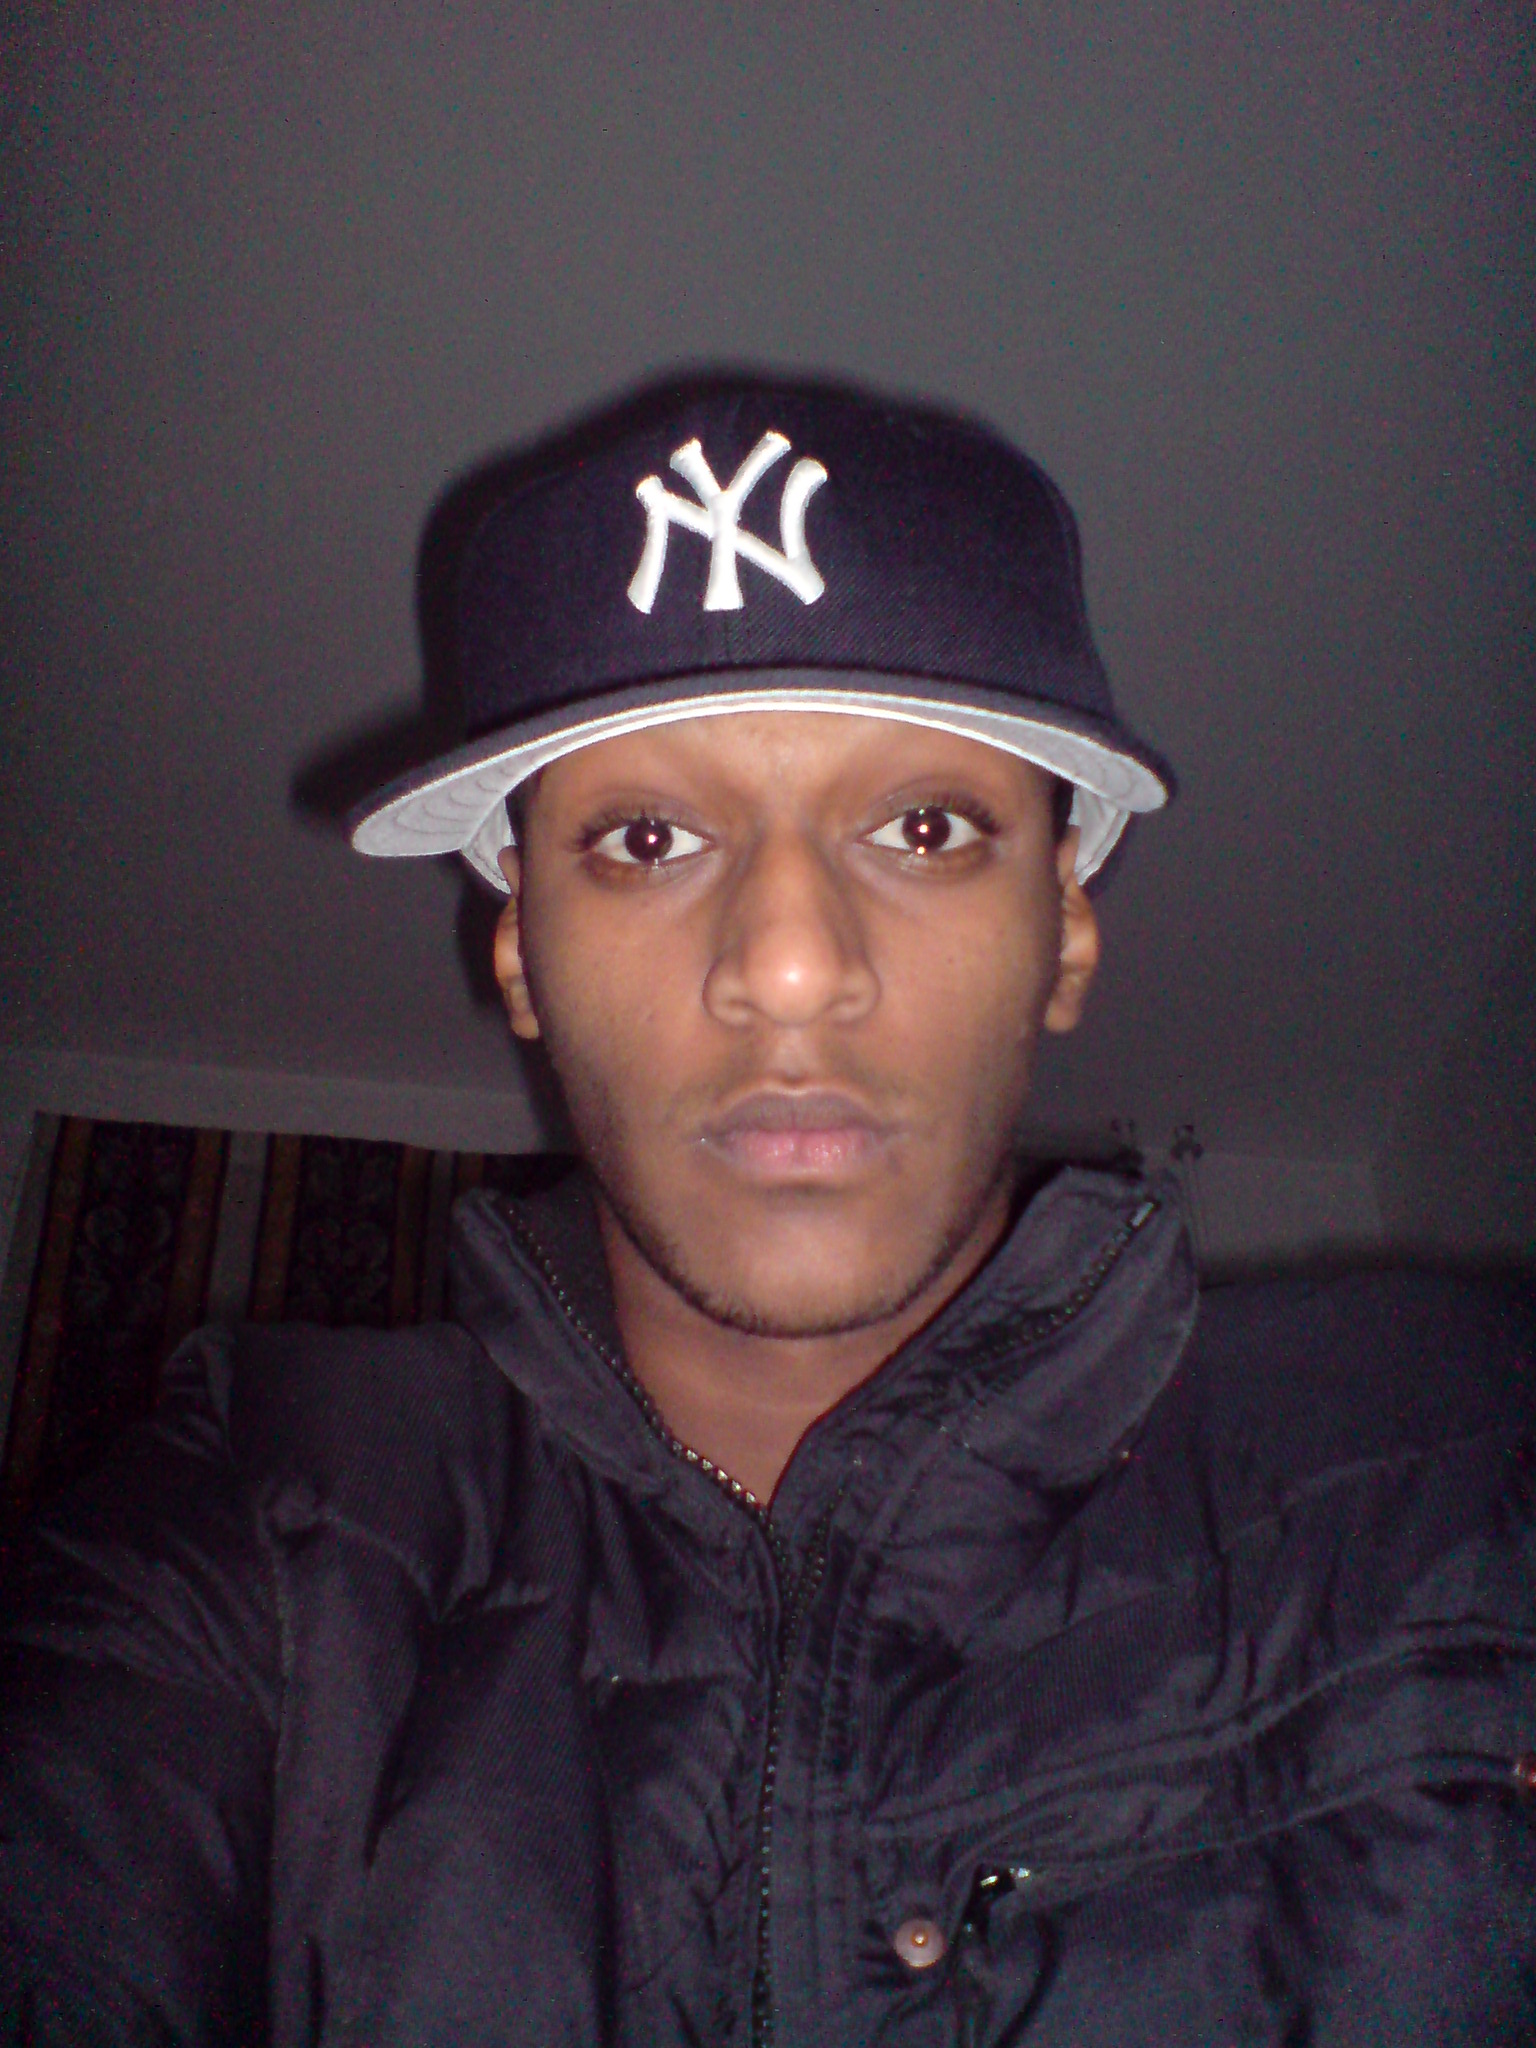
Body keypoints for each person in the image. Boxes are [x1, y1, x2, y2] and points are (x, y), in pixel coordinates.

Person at [2, 375, 1532, 2045]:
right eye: (647, 835)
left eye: (925, 827)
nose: (791, 965)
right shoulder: (268, 1514)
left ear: (1067, 935)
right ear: (521, 958)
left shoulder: (1461, 1455)